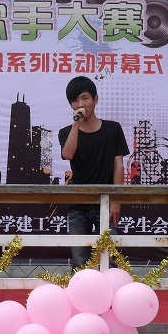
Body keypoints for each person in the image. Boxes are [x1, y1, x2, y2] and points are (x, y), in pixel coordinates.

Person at [57, 76, 130, 268]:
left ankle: (113, 288)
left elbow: (119, 165)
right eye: (75, 101)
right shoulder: (66, 132)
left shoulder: (113, 129)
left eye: (85, 98)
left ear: (95, 99)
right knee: (79, 259)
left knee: (111, 257)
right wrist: (76, 124)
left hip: (106, 202)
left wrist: (116, 200)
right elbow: (68, 154)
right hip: (78, 205)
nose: (80, 104)